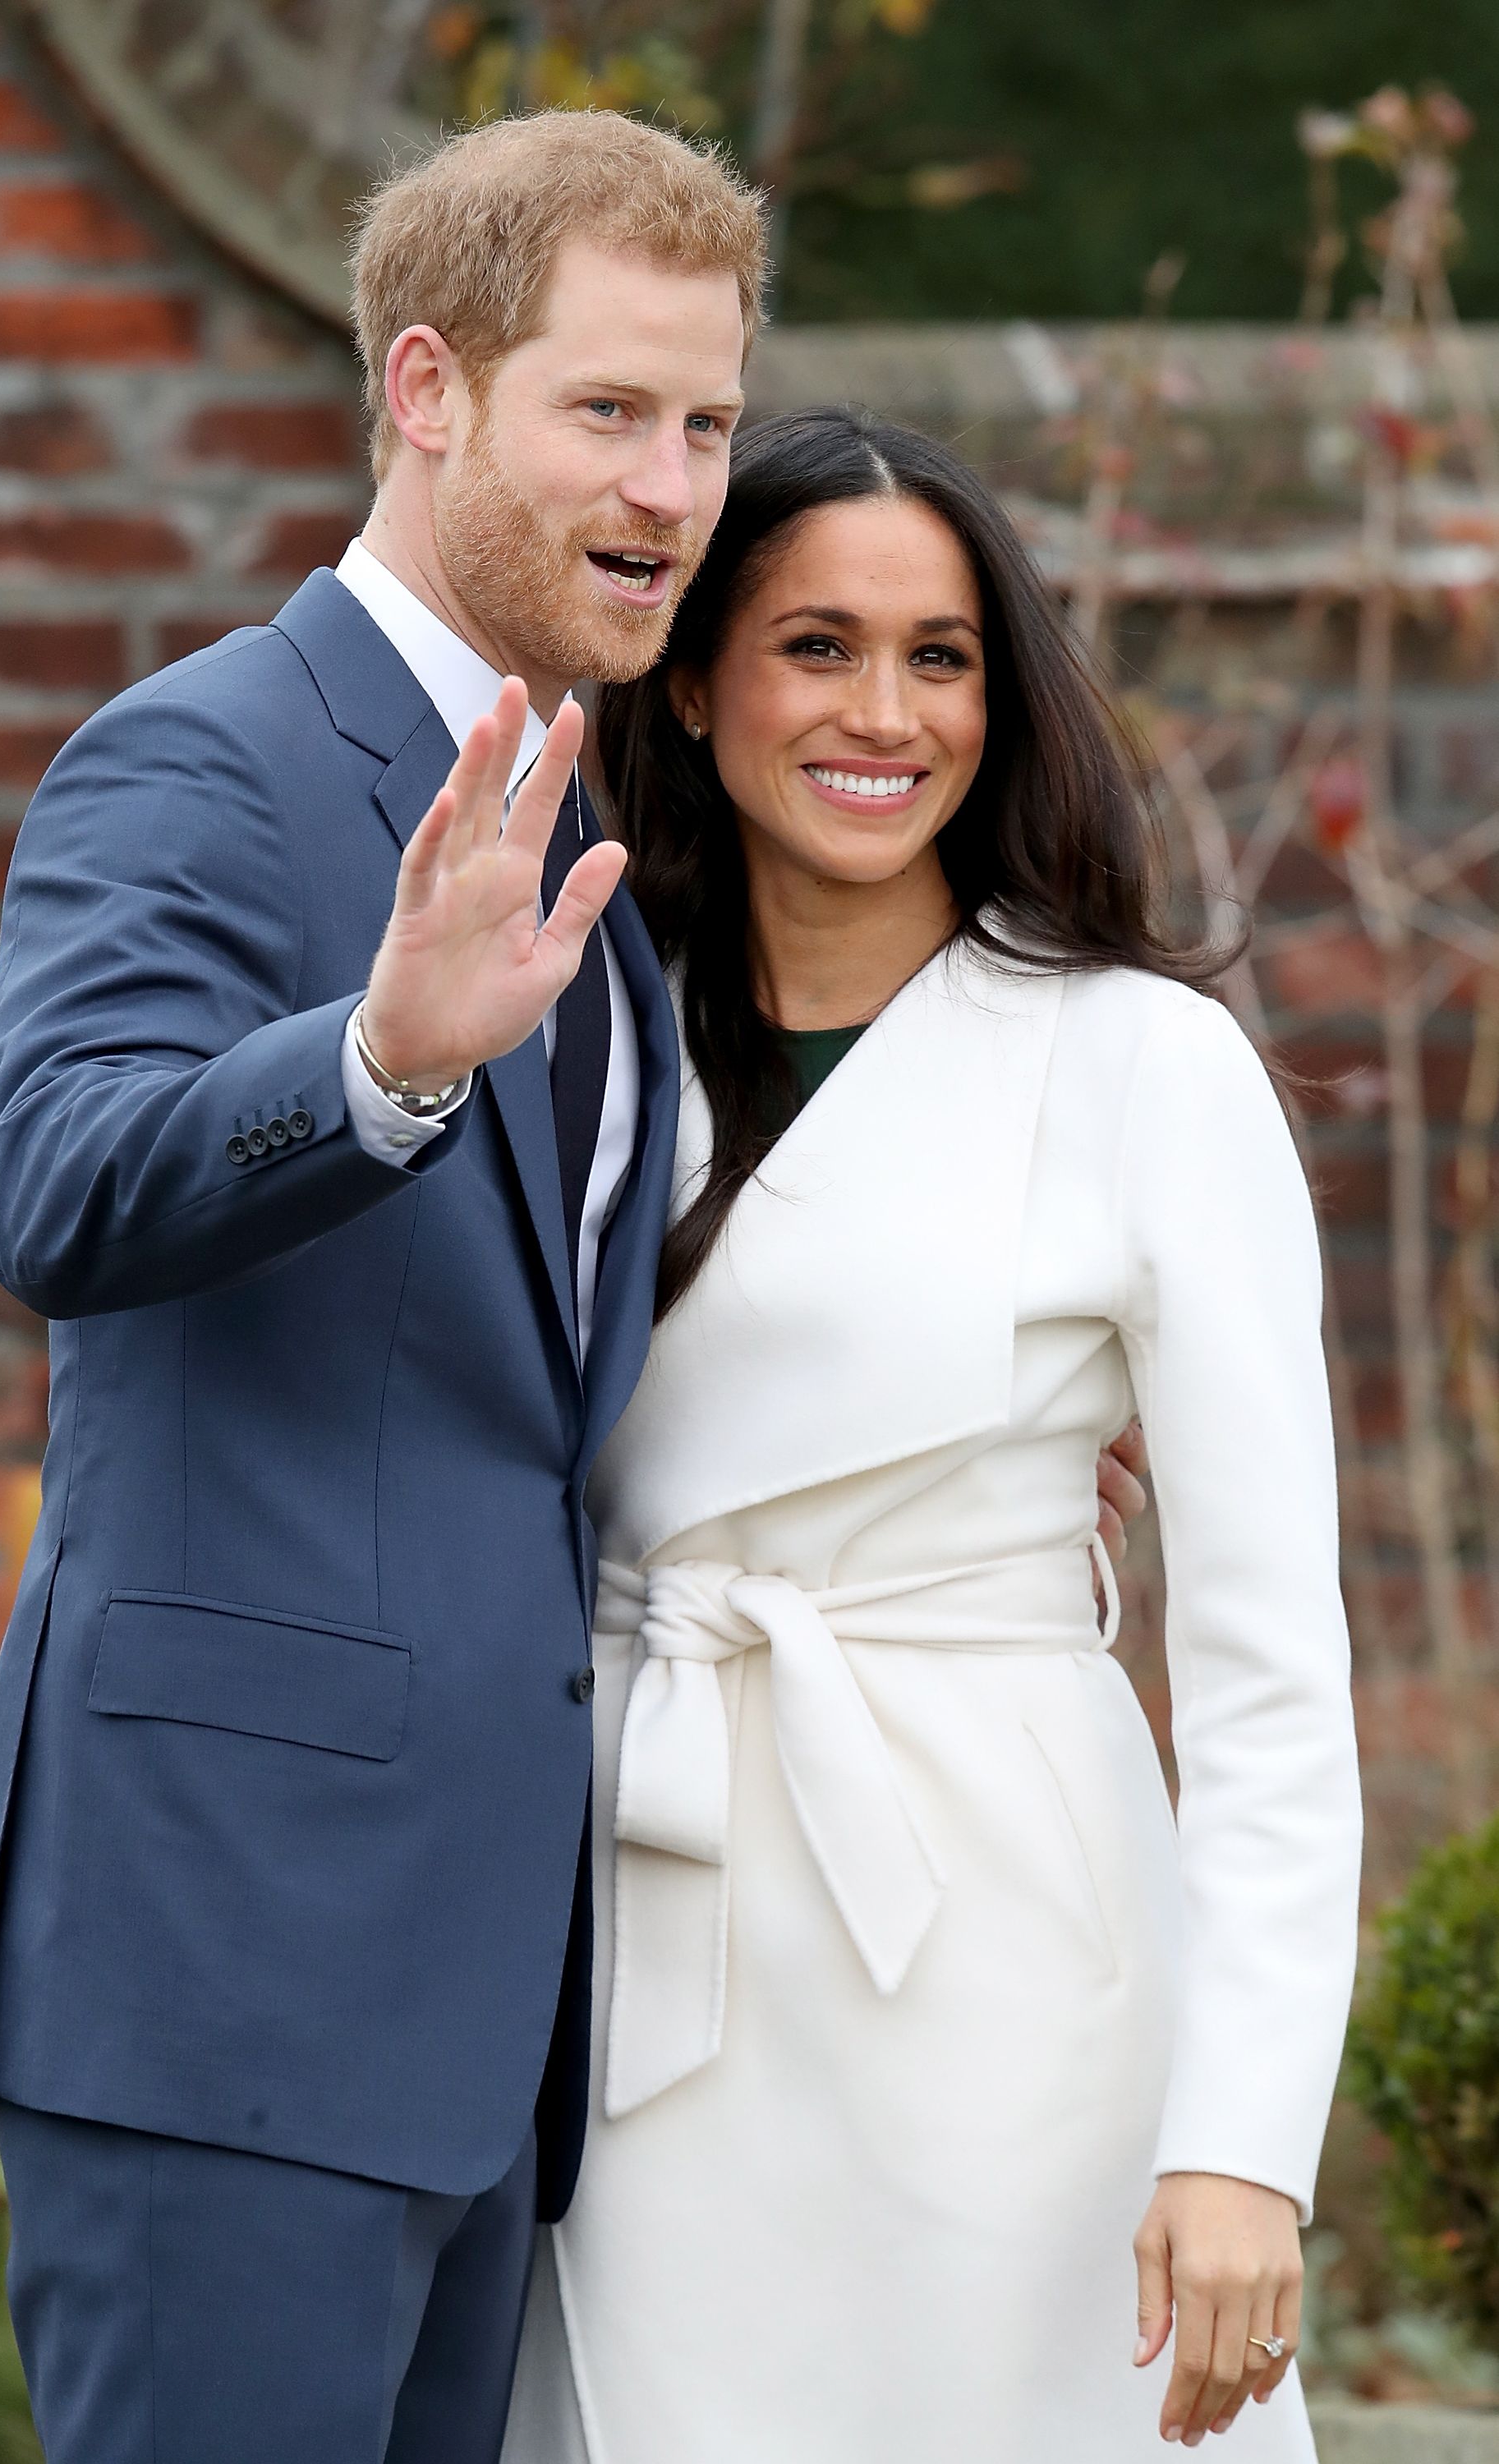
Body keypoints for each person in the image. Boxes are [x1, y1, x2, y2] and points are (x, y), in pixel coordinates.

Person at [0, 112, 763, 2464]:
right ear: (424, 391)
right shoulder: (199, 759)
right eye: (608, 409)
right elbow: (54, 1187)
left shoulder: (604, 837)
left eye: (706, 423)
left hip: (484, 2012)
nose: (675, 482)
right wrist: (381, 1061)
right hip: (226, 1981)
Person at [500, 408, 1363, 2463]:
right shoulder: (572, 1040)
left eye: (940, 655)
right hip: (647, 1936)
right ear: (694, 681)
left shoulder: (1141, 1063)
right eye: (813, 646)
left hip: (1012, 1955)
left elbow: (1267, 1673)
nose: (881, 712)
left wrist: (1246, 2142)